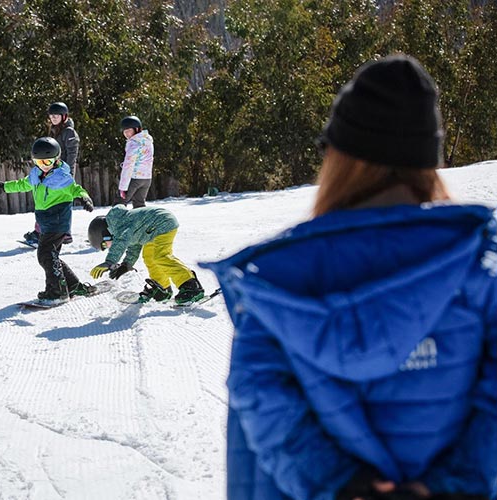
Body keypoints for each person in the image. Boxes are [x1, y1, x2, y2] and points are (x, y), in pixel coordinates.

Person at [203, 55, 496, 500]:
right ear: (427, 161)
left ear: (339, 160)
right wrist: (450, 486)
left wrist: (340, 485)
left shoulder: (277, 278)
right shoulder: (481, 264)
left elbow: (261, 395)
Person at [0, 137, 95, 305]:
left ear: (57, 158)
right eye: (38, 161)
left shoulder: (62, 177)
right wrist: (4, 187)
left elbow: (76, 189)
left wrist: (84, 198)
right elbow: (23, 184)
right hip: (46, 222)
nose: (43, 164)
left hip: (58, 221)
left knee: (45, 255)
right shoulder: (36, 174)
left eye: (48, 160)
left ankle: (57, 292)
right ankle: (73, 285)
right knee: (51, 256)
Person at [87, 204, 205, 304]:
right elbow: (134, 247)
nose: (108, 247)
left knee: (161, 256)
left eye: (104, 245)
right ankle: (162, 287)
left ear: (104, 234)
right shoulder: (123, 227)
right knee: (149, 257)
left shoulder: (120, 226)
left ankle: (190, 286)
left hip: (162, 224)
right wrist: (126, 265)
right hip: (152, 231)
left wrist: (110, 261)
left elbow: (121, 241)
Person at [24, 102, 81, 245]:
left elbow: (72, 154)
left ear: (64, 116)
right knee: (45, 200)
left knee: (61, 203)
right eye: (51, 115)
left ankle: (62, 234)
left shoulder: (69, 132)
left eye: (57, 115)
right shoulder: (54, 130)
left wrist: (68, 174)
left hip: (62, 172)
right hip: (50, 170)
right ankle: (41, 231)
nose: (54, 118)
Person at [117, 115, 154, 208]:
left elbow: (128, 165)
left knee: (119, 205)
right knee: (139, 205)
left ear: (136, 129)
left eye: (128, 131)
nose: (126, 134)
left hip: (134, 178)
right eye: (124, 131)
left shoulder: (134, 143)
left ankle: (113, 223)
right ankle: (142, 222)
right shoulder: (147, 140)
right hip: (146, 178)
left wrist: (123, 187)